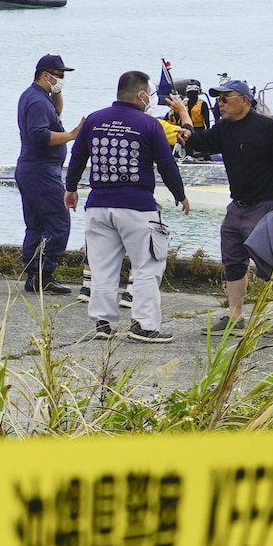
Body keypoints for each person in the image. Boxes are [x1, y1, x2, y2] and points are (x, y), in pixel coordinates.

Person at [65, 70, 190, 343]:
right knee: (147, 265)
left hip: (98, 205)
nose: (151, 100)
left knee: (102, 267)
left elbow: (77, 157)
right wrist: (180, 195)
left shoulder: (94, 121)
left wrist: (71, 188)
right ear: (141, 94)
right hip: (137, 206)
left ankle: (102, 323)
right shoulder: (149, 125)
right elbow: (166, 165)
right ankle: (143, 325)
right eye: (150, 95)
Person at [183, 80, 273, 332]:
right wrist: (186, 131)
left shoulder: (267, 127)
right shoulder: (224, 128)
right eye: (218, 99)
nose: (220, 104)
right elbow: (202, 143)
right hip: (237, 206)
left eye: (225, 99)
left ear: (244, 100)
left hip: (266, 206)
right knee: (232, 261)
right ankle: (235, 317)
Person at [15, 54, 83, 295]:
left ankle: (34, 274)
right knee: (59, 222)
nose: (62, 80)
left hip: (32, 169)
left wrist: (56, 91)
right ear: (46, 75)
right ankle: (45, 273)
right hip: (41, 171)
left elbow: (56, 112)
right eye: (59, 75)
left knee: (36, 223)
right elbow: (40, 135)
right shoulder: (37, 102)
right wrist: (73, 135)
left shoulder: (38, 97)